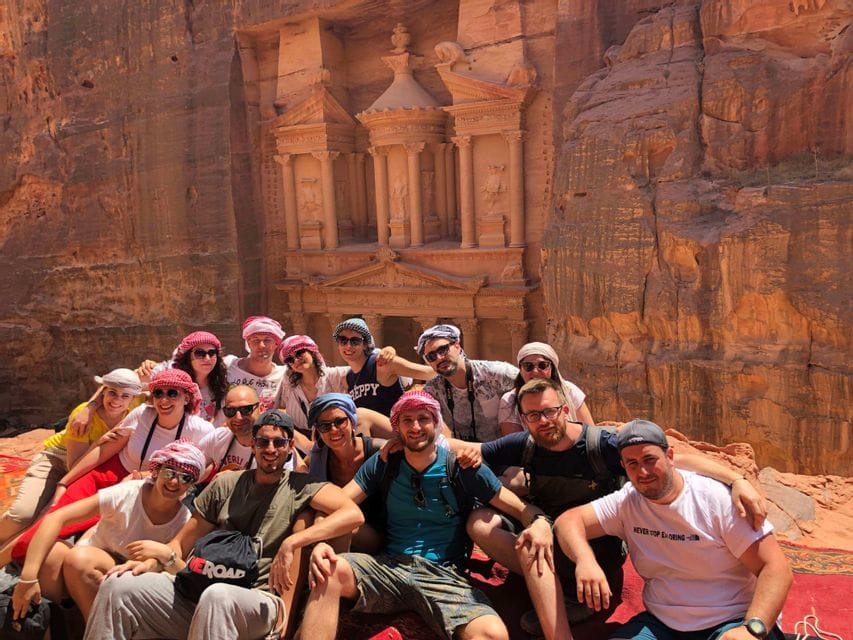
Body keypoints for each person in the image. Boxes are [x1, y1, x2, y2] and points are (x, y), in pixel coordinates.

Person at [467, 377, 768, 640]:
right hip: (560, 533)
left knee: (532, 547)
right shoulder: (526, 444)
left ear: (565, 410)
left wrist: (736, 479)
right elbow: (472, 451)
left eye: (549, 411)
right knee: (483, 524)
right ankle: (550, 589)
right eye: (534, 415)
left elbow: (665, 458)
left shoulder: (602, 445)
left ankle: (562, 614)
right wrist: (428, 438)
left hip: (599, 549)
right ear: (524, 418)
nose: (543, 420)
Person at [82, 409, 365, 640]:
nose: (270, 449)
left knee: (217, 597)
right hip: (202, 588)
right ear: (252, 445)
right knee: (118, 587)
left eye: (279, 442)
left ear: (290, 446)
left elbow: (352, 514)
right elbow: (179, 544)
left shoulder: (302, 486)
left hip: (258, 601)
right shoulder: (226, 483)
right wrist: (151, 564)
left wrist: (294, 541)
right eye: (263, 441)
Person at [298, 390, 552, 640]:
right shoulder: (385, 462)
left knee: (492, 634)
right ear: (397, 428)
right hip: (390, 566)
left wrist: (539, 522)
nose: (416, 427)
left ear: (436, 423)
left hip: (444, 574)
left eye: (423, 418)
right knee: (328, 570)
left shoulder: (462, 467)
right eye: (407, 420)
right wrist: (319, 543)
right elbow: (341, 503)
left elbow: (520, 508)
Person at [555, 420, 792, 640]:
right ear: (623, 466)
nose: (643, 472)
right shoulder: (627, 502)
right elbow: (568, 521)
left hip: (731, 619)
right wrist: (585, 560)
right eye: (633, 464)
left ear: (670, 456)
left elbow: (776, 568)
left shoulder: (716, 500)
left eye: (650, 459)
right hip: (663, 624)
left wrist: (753, 628)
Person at [6, 369, 214, 565]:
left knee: (89, 530)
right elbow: (107, 449)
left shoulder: (200, 430)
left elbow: (203, 468)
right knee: (51, 517)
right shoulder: (142, 413)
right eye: (158, 393)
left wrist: (146, 476)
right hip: (109, 473)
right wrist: (65, 481)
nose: (164, 399)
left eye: (172, 393)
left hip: (144, 488)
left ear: (187, 397)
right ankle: (9, 558)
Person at [10, 441, 205, 620]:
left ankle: (95, 629)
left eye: (185, 478)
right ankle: (51, 623)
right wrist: (27, 578)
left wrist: (157, 559)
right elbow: (56, 518)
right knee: (54, 555)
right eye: (169, 472)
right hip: (89, 562)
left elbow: (177, 568)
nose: (174, 482)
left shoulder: (184, 520)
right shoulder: (128, 492)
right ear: (156, 471)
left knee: (81, 561)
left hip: (131, 580)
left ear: (191, 484)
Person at [0, 368, 142, 547]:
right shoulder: (82, 415)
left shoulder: (135, 409)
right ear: (103, 392)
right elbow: (74, 465)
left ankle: (20, 549)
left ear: (133, 398)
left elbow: (154, 382)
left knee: (55, 518)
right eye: (112, 393)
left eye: (124, 396)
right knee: (24, 514)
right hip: (60, 460)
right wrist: (98, 443)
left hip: (94, 467)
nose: (117, 400)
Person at [306, 393, 387, 553]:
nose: (333, 430)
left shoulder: (379, 451)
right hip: (334, 518)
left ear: (352, 421)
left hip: (378, 532)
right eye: (325, 425)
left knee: (342, 525)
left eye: (339, 421)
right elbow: (321, 501)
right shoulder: (320, 457)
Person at [195, 385, 304, 494]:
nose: (238, 417)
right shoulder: (218, 438)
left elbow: (277, 490)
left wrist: (230, 479)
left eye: (245, 410)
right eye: (230, 411)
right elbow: (191, 462)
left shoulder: (275, 445)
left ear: (261, 408)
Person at [419, 323, 518, 442]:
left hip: (501, 453)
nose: (439, 358)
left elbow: (535, 390)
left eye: (443, 350)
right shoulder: (432, 391)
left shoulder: (496, 373)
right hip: (463, 454)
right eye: (431, 356)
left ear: (457, 346)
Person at [333, 317, 434, 416]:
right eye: (343, 340)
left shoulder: (383, 364)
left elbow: (428, 373)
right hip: (370, 432)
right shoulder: (347, 379)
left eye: (355, 341)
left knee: (362, 416)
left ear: (365, 344)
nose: (348, 346)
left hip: (395, 428)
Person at [135, 331, 229, 425]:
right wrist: (145, 370)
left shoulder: (223, 379)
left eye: (212, 353)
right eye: (200, 353)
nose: (207, 358)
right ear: (188, 356)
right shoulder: (168, 373)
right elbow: (131, 380)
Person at [498, 342, 594, 434]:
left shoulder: (570, 391)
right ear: (520, 369)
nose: (535, 372)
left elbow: (589, 432)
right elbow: (514, 445)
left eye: (542, 365)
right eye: (528, 366)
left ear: (552, 368)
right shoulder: (509, 401)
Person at [275, 335, 349, 449]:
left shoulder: (335, 376)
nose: (296, 360)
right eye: (290, 359)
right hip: (299, 447)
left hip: (334, 442)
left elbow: (364, 366)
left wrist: (385, 352)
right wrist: (304, 443)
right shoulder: (289, 386)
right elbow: (280, 411)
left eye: (299, 353)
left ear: (312, 351)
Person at [224, 315, 286, 412]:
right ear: (249, 343)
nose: (261, 345)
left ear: (276, 344)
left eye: (267, 340)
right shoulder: (229, 365)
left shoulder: (283, 374)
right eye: (256, 340)